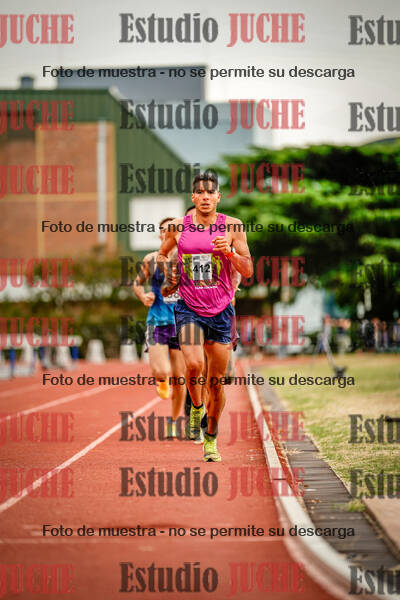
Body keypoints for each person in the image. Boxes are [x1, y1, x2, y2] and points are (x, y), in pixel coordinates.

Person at [157, 172, 253, 461]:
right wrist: (170, 274)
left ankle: (211, 439)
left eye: (211, 193)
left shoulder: (233, 226)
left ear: (218, 197)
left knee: (216, 382)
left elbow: (248, 270)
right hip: (188, 307)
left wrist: (230, 254)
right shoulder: (177, 227)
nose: (206, 197)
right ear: (193, 197)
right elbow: (161, 255)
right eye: (200, 193)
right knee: (194, 365)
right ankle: (196, 408)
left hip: (221, 309)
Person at [133, 217, 186, 437]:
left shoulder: (186, 258)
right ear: (160, 235)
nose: (168, 233)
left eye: (172, 229)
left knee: (180, 378)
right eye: (164, 230)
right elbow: (137, 283)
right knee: (161, 371)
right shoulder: (151, 259)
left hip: (181, 322)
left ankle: (173, 421)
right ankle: (162, 381)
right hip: (156, 321)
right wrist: (142, 295)